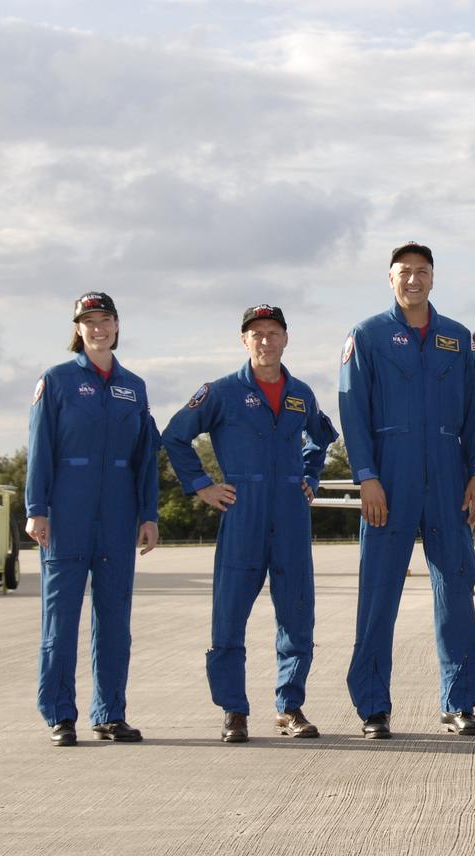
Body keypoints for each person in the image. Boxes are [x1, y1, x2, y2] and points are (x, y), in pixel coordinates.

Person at [162, 305, 336, 743]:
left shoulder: (300, 394)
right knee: (229, 613)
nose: (265, 341)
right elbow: (175, 435)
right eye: (256, 333)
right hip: (243, 510)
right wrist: (202, 485)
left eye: (273, 332)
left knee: (297, 611)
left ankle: (289, 707)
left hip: (290, 513)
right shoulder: (221, 392)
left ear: (285, 339)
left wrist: (311, 475)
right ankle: (233, 710)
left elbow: (321, 437)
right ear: (244, 340)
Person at [339, 242, 475, 739]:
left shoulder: (456, 339)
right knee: (378, 597)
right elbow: (353, 412)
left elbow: (472, 413)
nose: (413, 280)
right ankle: (373, 707)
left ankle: (459, 703)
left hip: (449, 479)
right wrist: (367, 477)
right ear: (391, 278)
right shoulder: (367, 335)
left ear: (432, 278)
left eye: (421, 271)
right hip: (389, 479)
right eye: (404, 272)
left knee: (457, 592)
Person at [26, 292, 160, 747]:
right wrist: (36, 509)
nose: (99, 328)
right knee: (60, 621)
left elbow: (145, 458)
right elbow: (40, 448)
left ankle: (110, 714)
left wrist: (148, 514)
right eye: (89, 321)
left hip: (119, 516)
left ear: (117, 326)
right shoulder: (57, 380)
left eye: (106, 319)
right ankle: (60, 715)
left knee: (115, 621)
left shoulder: (134, 387)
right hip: (67, 515)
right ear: (78, 329)